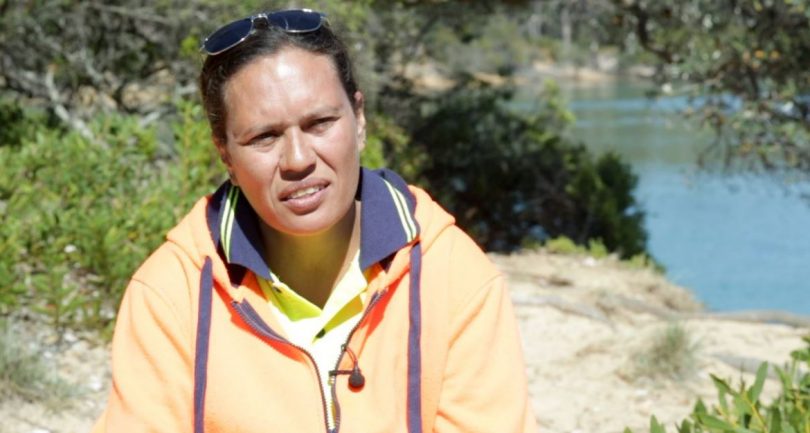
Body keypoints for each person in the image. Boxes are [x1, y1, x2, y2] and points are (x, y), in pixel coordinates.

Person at [92, 8, 536, 433]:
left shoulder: (454, 278)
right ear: (224, 152)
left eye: (320, 123)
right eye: (264, 136)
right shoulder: (172, 296)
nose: (299, 160)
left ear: (358, 119)